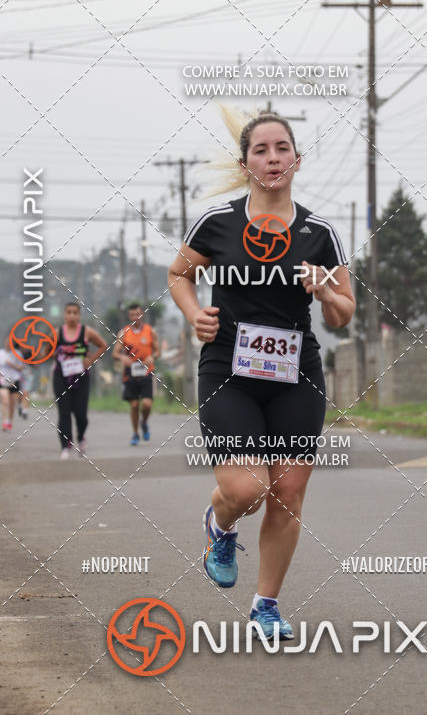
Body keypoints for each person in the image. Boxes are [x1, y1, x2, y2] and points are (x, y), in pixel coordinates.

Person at [168, 108, 355, 641]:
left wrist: (323, 288)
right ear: (246, 162)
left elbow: (345, 311)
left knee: (288, 491)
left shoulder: (319, 232)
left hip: (297, 373)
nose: (273, 158)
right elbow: (179, 272)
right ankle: (219, 525)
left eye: (282, 148)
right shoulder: (218, 222)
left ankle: (265, 605)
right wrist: (192, 312)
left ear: (297, 158)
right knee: (249, 487)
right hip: (229, 368)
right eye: (260, 150)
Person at [53, 302, 107, 460]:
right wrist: (54, 355)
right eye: (68, 312)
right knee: (64, 413)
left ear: (79, 315)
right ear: (64, 314)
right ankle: (65, 446)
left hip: (81, 378)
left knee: (81, 414)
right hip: (61, 377)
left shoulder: (86, 332)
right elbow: (47, 352)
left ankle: (81, 437)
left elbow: (103, 346)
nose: (71, 315)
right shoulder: (57, 333)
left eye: (75, 312)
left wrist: (90, 360)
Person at [112, 303, 159, 446]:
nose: (135, 317)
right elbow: (114, 352)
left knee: (146, 404)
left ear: (142, 314)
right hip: (130, 372)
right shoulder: (124, 332)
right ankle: (135, 433)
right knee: (133, 405)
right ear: (129, 316)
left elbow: (157, 351)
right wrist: (122, 357)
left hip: (145, 371)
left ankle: (144, 422)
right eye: (132, 315)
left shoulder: (150, 331)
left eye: (137, 314)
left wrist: (153, 357)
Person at [0, 338, 25, 431]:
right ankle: (5, 421)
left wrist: (12, 365)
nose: (8, 344)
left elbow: (21, 368)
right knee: (5, 400)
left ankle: (10, 421)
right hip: (2, 380)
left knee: (12, 404)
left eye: (10, 343)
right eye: (7, 342)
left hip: (14, 380)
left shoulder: (18, 353)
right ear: (4, 343)